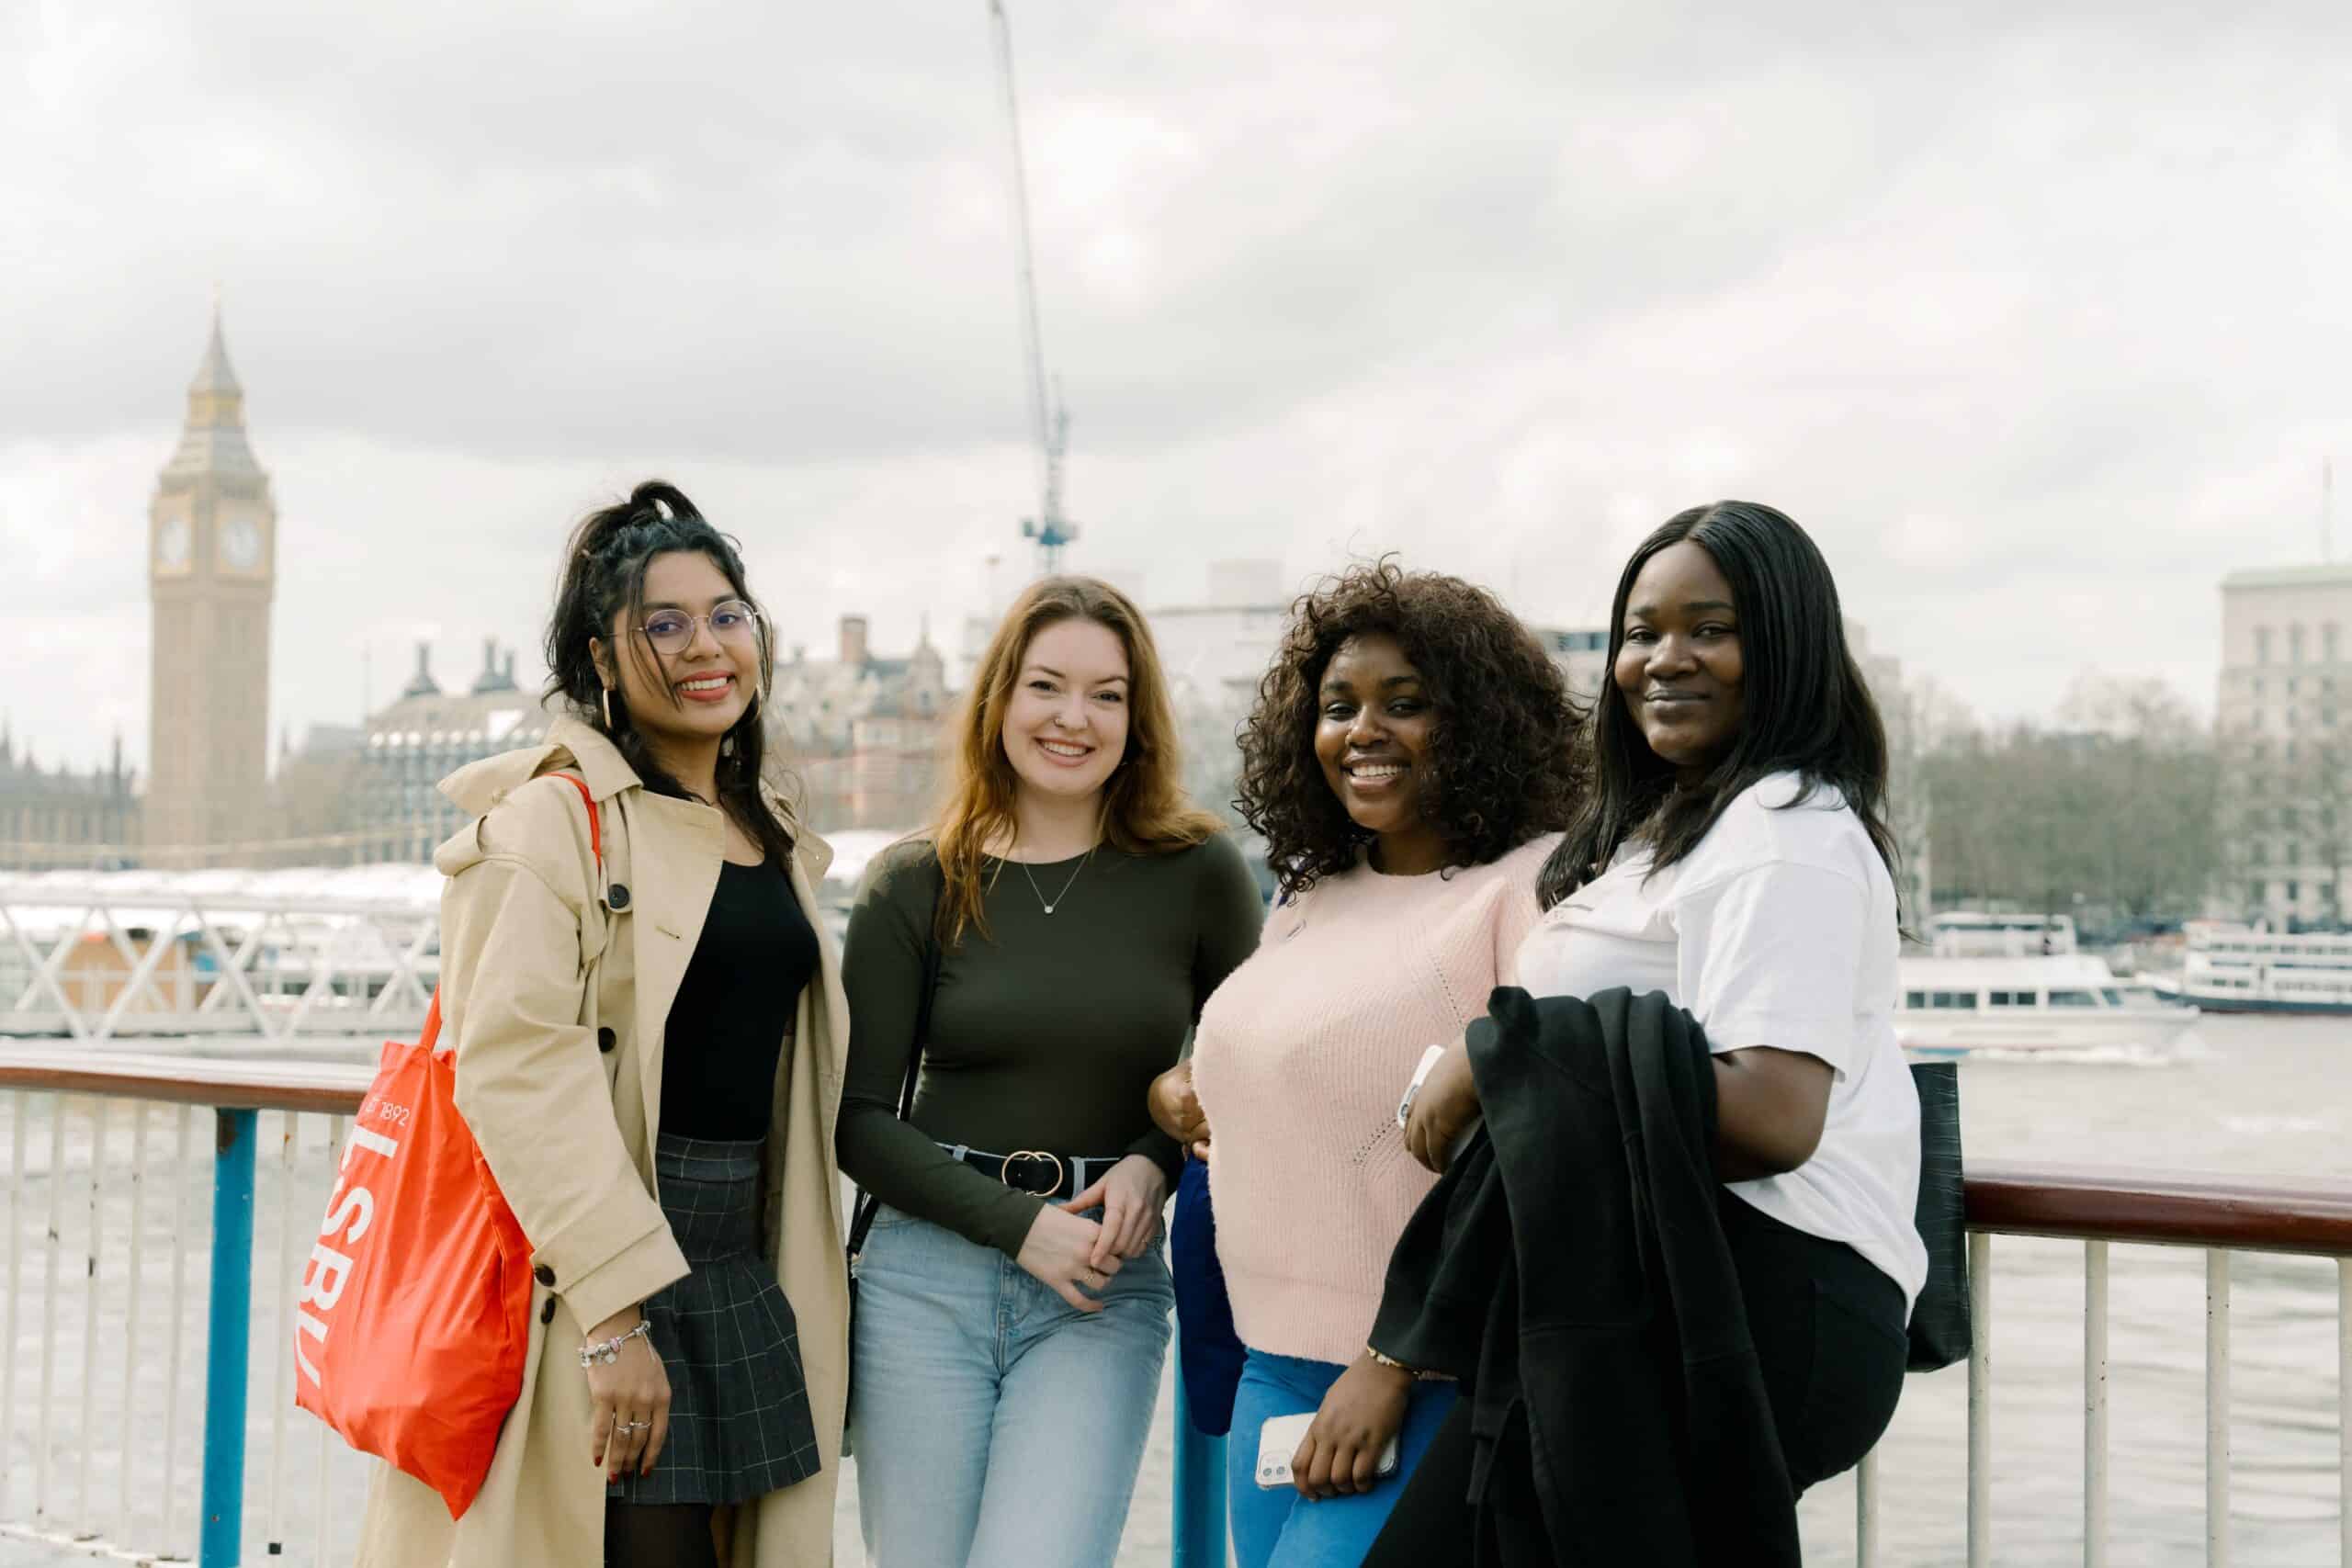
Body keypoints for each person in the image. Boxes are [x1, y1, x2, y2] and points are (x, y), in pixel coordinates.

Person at [1383, 500, 1924, 1548]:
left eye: (1709, 630)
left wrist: (1496, 1060)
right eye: (1641, 632)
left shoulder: (1785, 831)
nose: (1663, 659)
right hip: (1649, 1288)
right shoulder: (1670, 833)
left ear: (1786, 647)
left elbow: (1773, 1115)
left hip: (1761, 1290)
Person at [355, 481, 849, 1568]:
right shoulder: (549, 824)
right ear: (598, 656)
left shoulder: (768, 826)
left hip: (740, 1266)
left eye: (726, 615)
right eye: (661, 625)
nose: (704, 646)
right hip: (605, 1266)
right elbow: (510, 1067)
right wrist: (613, 1317)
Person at [837, 575, 1264, 1568]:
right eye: (1046, 686)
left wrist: (1156, 1161)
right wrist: (1017, 1228)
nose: (1074, 718)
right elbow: (857, 1122)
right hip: (923, 1282)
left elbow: (1248, 1061)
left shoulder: (1199, 870)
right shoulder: (915, 879)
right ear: (998, 701)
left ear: (1137, 715)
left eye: (1107, 695)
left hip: (1101, 1287)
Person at [1167, 561, 1584, 1568]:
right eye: (1338, 706)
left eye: (1407, 704)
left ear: (1480, 721)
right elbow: (1271, 1064)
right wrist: (1179, 1090)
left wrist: (1394, 1363)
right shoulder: (1308, 895)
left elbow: (1537, 1153)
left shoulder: (1529, 888)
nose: (1363, 731)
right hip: (1268, 1362)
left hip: (1418, 1373)